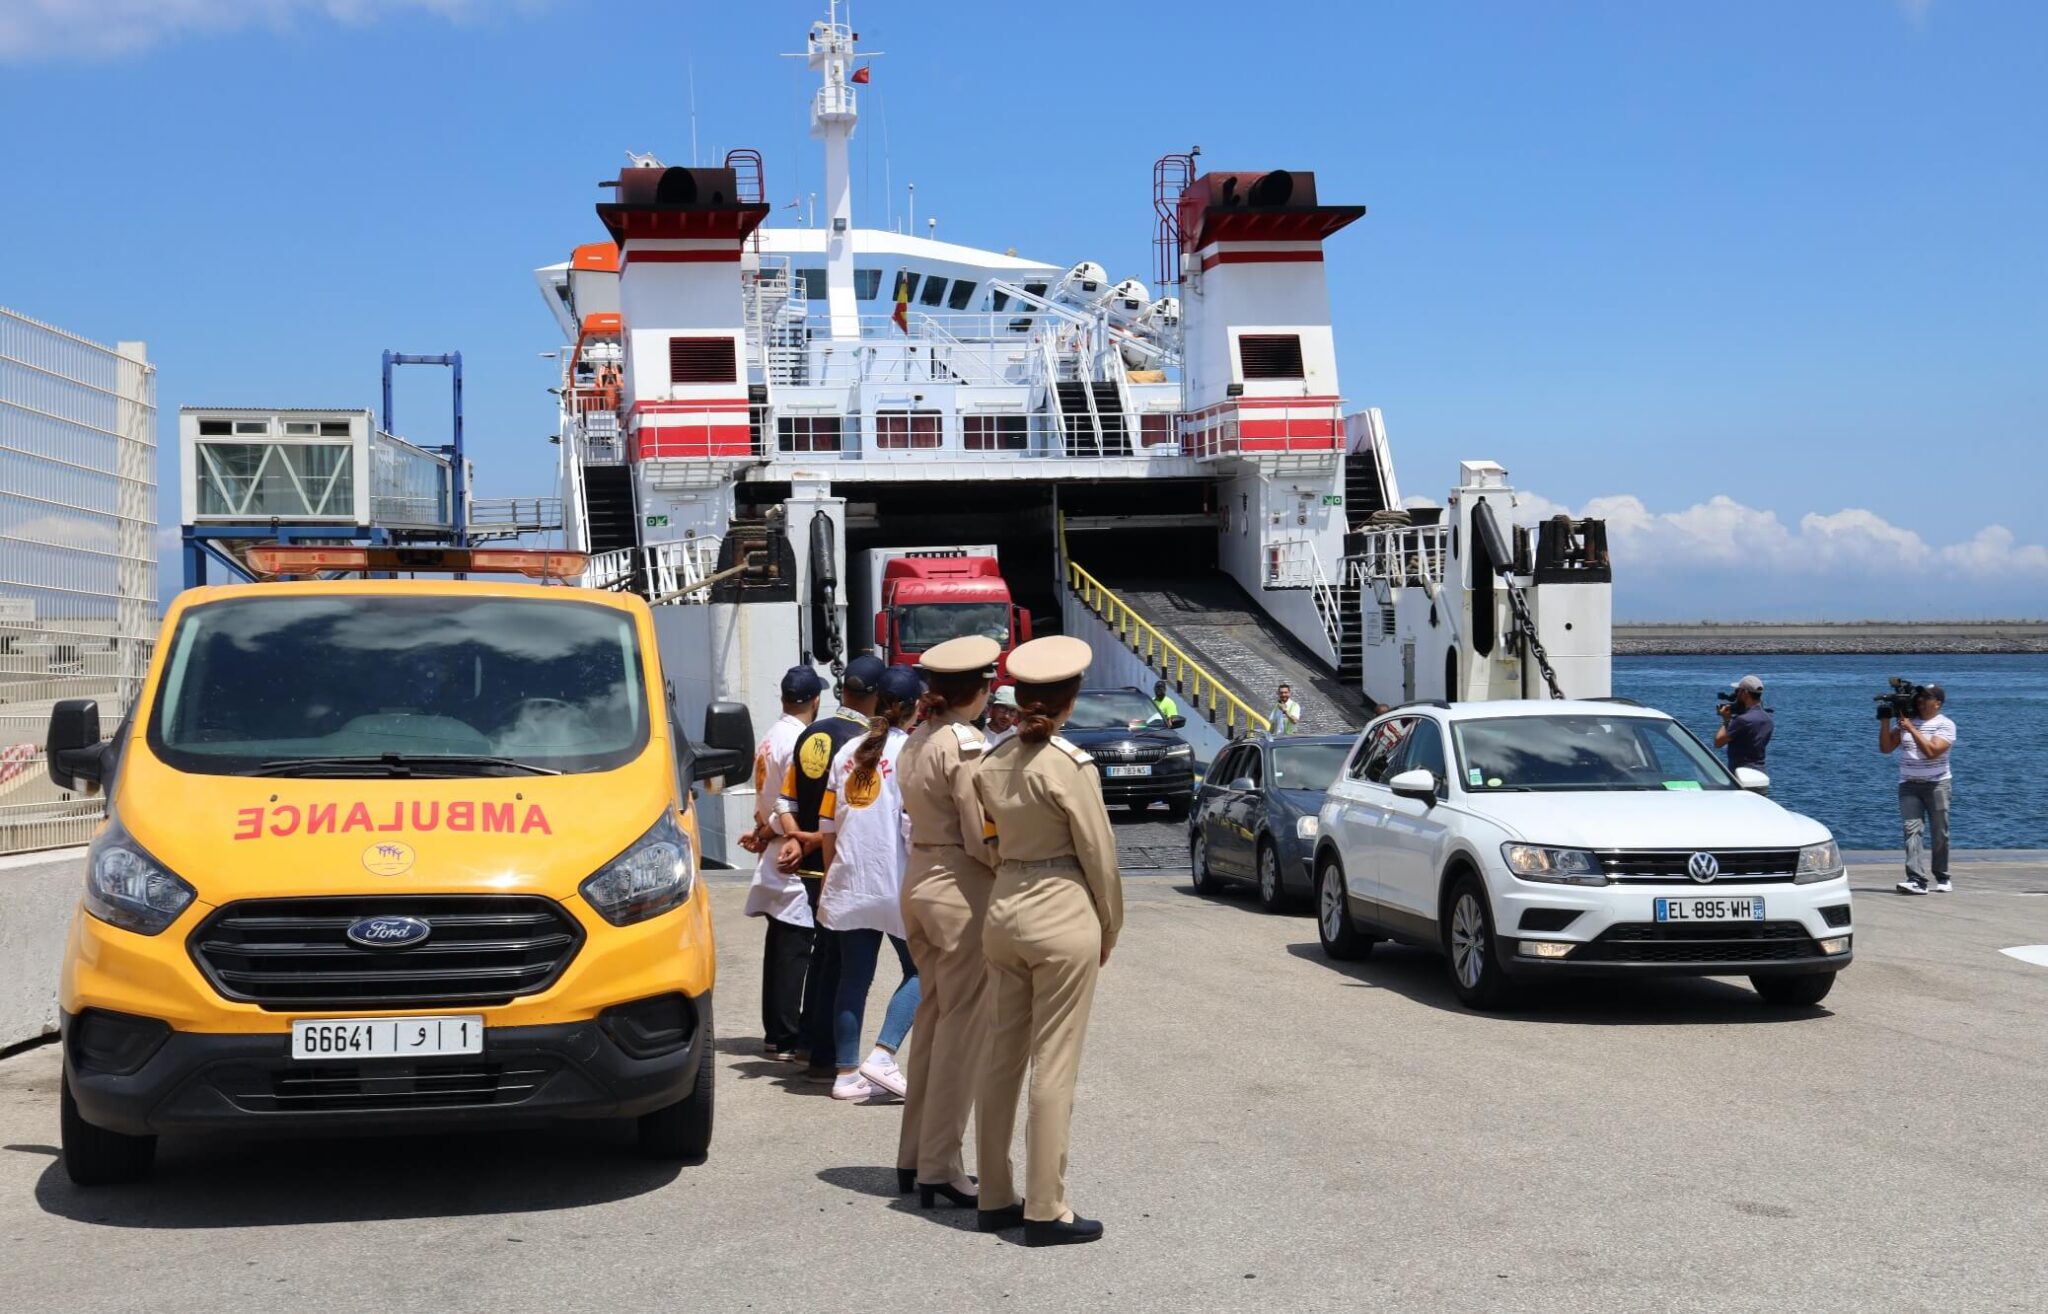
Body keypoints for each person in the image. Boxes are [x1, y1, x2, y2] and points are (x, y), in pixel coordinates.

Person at [973, 634, 1123, 1246]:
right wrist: (1109, 925)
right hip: (1061, 906)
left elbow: (986, 839)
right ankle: (1045, 1206)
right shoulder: (1069, 764)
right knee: (1054, 1063)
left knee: (1000, 1057)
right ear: (1071, 699)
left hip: (1004, 903)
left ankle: (993, 1194)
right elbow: (1099, 855)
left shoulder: (991, 760)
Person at [894, 634, 1000, 1205]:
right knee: (963, 1030)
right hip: (960, 885)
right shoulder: (965, 742)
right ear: (978, 690)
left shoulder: (918, 738)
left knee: (934, 1021)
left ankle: (915, 1156)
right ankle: (940, 1163)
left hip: (919, 877)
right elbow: (981, 831)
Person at [773, 655, 888, 1077]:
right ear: (877, 696)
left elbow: (785, 801)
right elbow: (856, 814)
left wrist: (795, 838)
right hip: (839, 861)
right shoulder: (865, 743)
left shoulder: (810, 733)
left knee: (823, 954)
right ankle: (824, 1051)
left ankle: (809, 1043)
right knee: (840, 963)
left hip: (809, 862)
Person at [816, 665, 926, 1102]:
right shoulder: (911, 752)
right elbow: (912, 827)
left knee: (853, 978)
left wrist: (831, 879)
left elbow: (827, 824)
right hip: (896, 880)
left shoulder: (847, 750)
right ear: (915, 708)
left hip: (850, 877)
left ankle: (846, 1074)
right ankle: (883, 1055)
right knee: (926, 969)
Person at [743, 666, 823, 1061]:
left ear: (783, 699)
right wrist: (770, 830)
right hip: (790, 845)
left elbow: (766, 795)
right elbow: (789, 802)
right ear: (816, 700)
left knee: (779, 944)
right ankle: (788, 1034)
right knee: (794, 947)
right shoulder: (798, 741)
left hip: (774, 843)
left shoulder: (771, 736)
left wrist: (762, 831)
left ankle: (776, 1032)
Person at [1881, 685, 1956, 895]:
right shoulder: (1907, 722)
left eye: (1926, 698)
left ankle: (1942, 875)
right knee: (1911, 830)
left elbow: (1931, 752)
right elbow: (1886, 748)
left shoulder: (1945, 725)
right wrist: (1885, 721)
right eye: (1919, 697)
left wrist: (1912, 729)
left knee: (1939, 832)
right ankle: (1916, 879)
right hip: (1909, 785)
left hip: (1937, 784)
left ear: (1938, 703)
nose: (1921, 701)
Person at [1715, 674, 1774, 774]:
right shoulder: (1768, 719)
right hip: (1760, 773)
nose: (1736, 694)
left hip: (1740, 774)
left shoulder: (1742, 720)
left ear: (1745, 693)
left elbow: (1718, 742)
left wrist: (1726, 720)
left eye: (1738, 691)